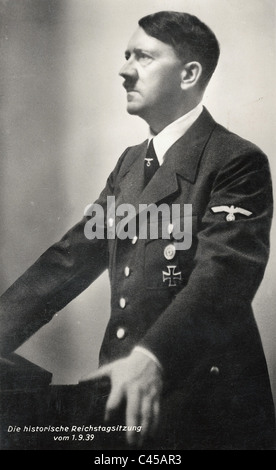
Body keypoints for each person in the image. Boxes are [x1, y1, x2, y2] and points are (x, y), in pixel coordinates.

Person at [0, 11, 275, 450]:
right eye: (126, 55)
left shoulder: (235, 161)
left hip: (206, 408)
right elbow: (69, 259)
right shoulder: (130, 163)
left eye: (143, 57)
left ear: (189, 74)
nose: (125, 69)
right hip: (122, 403)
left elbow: (223, 276)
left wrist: (153, 357)